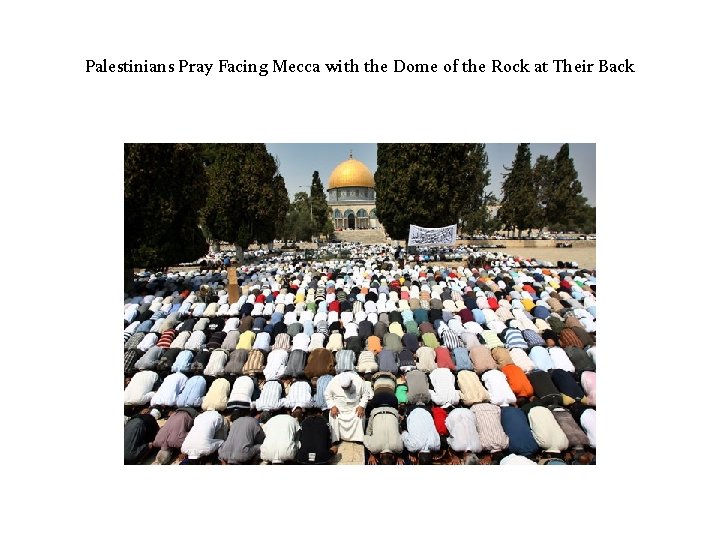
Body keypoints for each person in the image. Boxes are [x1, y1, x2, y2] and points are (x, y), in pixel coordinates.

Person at [324, 371, 371, 444]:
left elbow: (366, 394)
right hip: (339, 410)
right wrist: (332, 406)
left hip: (354, 409)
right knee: (332, 415)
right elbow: (327, 395)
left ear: (352, 382)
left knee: (360, 415)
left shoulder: (359, 381)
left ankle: (358, 439)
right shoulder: (334, 381)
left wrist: (361, 406)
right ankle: (336, 439)